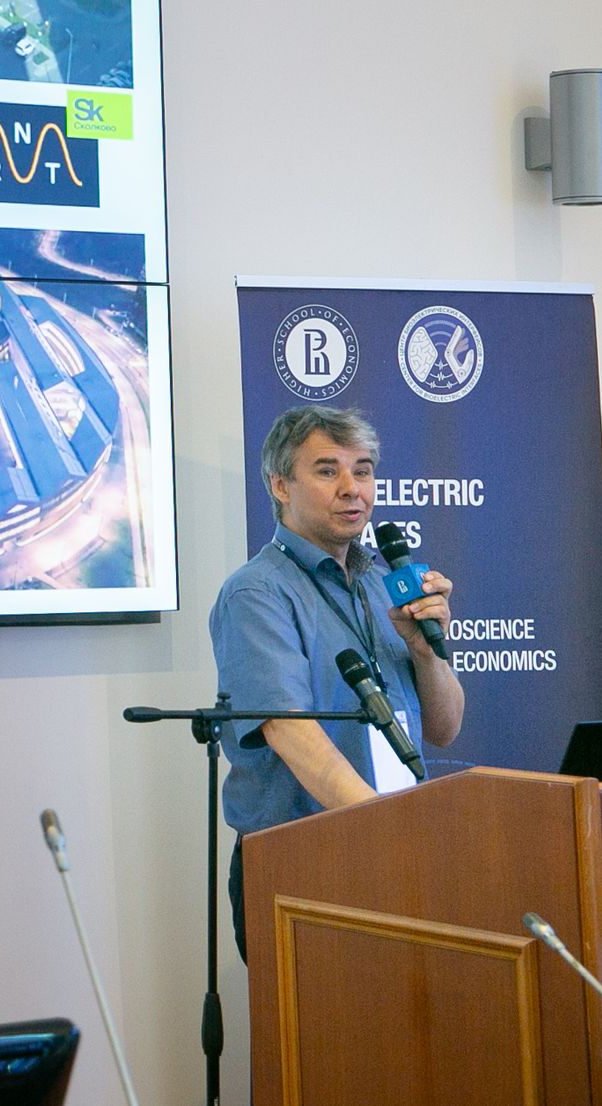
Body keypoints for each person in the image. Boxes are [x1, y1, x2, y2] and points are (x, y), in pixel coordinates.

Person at [210, 406, 463, 959]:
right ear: (280, 485)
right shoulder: (258, 594)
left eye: (363, 470)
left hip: (391, 844)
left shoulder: (384, 582)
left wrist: (426, 654)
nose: (353, 488)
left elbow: (444, 729)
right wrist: (388, 832)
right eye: (328, 471)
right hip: (306, 858)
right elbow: (292, 734)